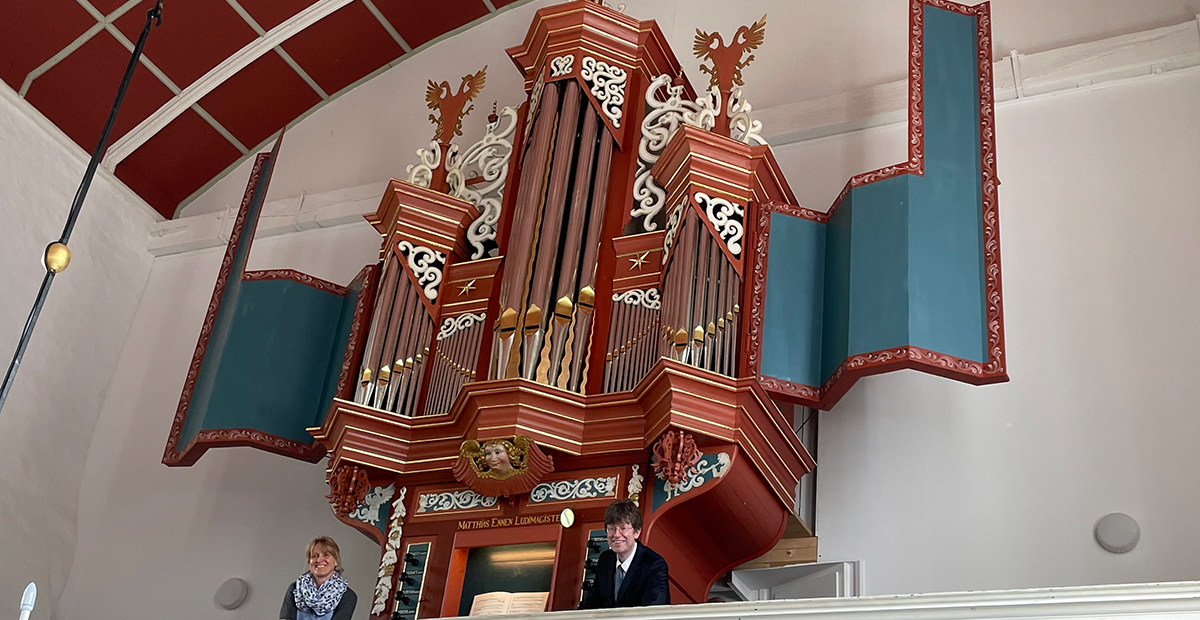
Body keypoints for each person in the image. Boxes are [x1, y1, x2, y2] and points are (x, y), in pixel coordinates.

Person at [579, 499, 669, 609]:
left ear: (637, 532)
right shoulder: (605, 559)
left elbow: (652, 612)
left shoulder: (654, 565)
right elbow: (593, 602)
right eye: (611, 529)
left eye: (623, 528)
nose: (616, 535)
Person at [280, 536, 358, 620]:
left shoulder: (348, 596)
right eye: (314, 556)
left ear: (336, 561)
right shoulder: (295, 589)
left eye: (326, 555)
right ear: (309, 562)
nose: (319, 560)